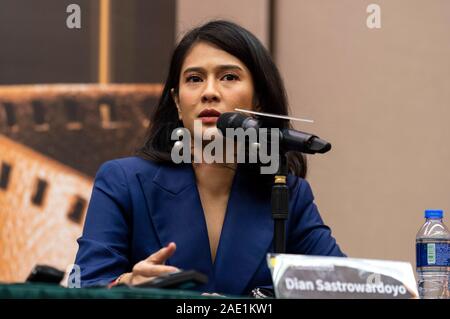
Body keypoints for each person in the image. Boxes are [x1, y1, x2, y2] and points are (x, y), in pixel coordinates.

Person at [73, 20, 345, 296]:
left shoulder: (288, 192)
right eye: (194, 79)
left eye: (229, 77)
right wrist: (126, 286)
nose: (209, 92)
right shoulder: (123, 182)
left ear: (258, 100)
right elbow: (85, 288)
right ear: (178, 103)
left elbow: (340, 289)